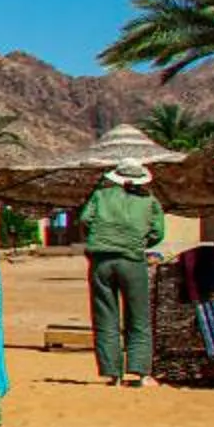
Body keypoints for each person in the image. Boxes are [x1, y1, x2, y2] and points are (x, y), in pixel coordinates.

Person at [81, 161, 166, 387]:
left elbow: (85, 220)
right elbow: (158, 232)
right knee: (138, 316)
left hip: (101, 261)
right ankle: (140, 373)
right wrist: (139, 241)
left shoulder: (100, 196)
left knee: (105, 315)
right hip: (132, 260)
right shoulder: (149, 201)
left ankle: (113, 374)